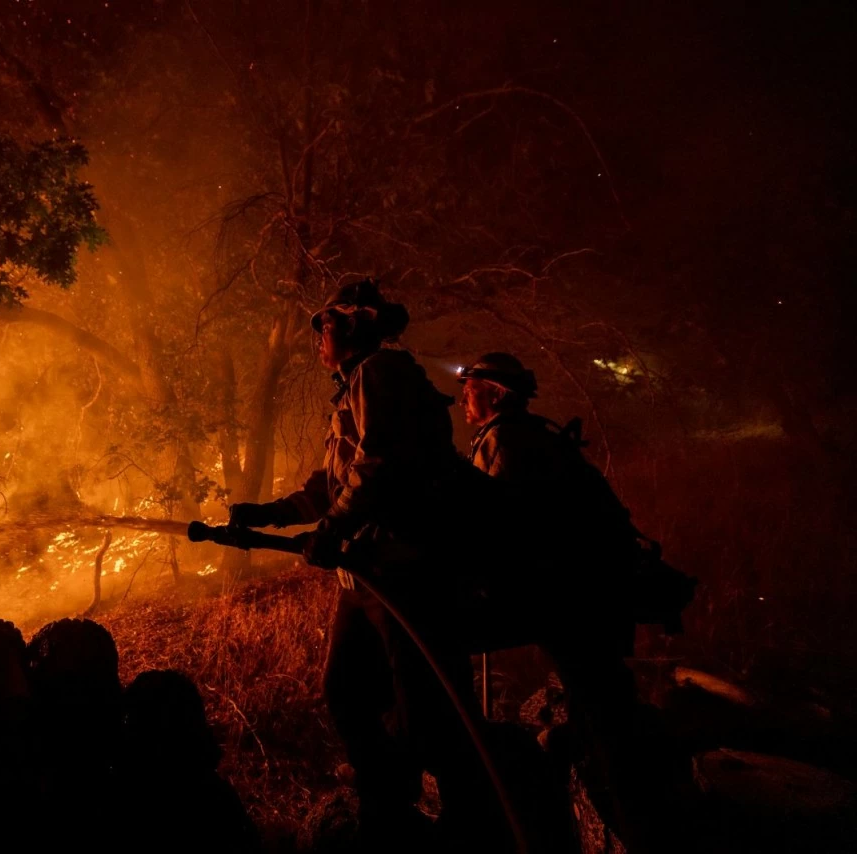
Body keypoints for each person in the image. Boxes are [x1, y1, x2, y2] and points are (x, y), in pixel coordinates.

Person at [229, 280, 498, 845]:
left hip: (402, 573)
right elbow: (334, 483)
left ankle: (469, 824)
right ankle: (388, 808)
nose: (317, 340)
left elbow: (378, 466)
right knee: (348, 692)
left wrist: (329, 531)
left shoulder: (379, 373)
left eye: (322, 327)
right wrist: (271, 515)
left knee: (425, 708)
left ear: (348, 326)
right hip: (365, 576)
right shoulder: (355, 386)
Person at [459, 352, 681, 853]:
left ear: (496, 394)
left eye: (470, 389)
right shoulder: (531, 435)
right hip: (589, 591)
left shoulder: (506, 440)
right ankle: (618, 799)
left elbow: (499, 524)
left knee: (604, 715)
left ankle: (636, 824)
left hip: (575, 597)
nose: (463, 398)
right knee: (601, 704)